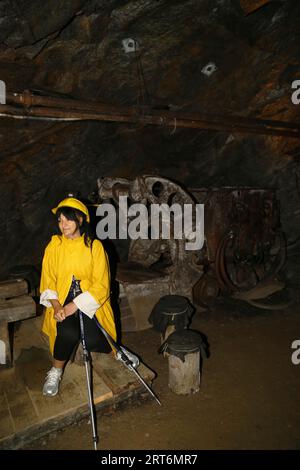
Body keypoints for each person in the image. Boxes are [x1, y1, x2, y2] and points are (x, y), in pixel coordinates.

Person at [39, 197, 117, 396]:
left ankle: (118, 353)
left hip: (89, 302)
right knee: (68, 333)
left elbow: (102, 285)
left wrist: (74, 306)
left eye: (68, 220)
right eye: (59, 220)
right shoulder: (55, 246)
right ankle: (56, 370)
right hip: (62, 300)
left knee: (92, 340)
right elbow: (48, 280)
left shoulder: (95, 247)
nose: (62, 225)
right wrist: (57, 307)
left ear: (80, 220)